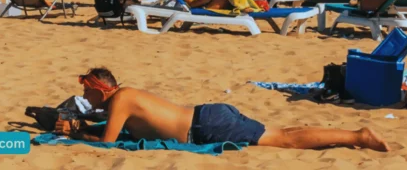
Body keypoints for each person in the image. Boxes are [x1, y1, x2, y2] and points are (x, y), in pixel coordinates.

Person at [55, 68, 389, 151]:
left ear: (100, 89)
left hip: (205, 127)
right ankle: (353, 135)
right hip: (209, 116)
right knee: (282, 134)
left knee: (284, 140)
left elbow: (109, 142)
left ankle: (357, 136)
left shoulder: (121, 99)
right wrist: (83, 125)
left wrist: (76, 133)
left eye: (87, 91)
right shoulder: (122, 100)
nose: (84, 96)